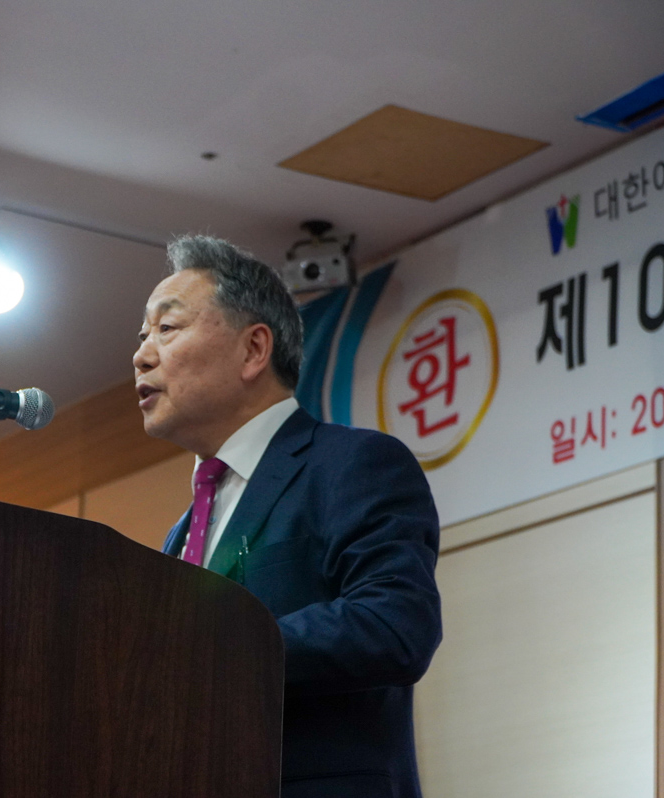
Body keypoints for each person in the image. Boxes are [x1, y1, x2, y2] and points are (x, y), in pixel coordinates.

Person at [133, 235, 442, 798]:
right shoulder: (183, 530)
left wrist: (211, 646)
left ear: (254, 349)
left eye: (167, 327)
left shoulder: (351, 463)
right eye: (143, 335)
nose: (142, 355)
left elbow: (397, 625)